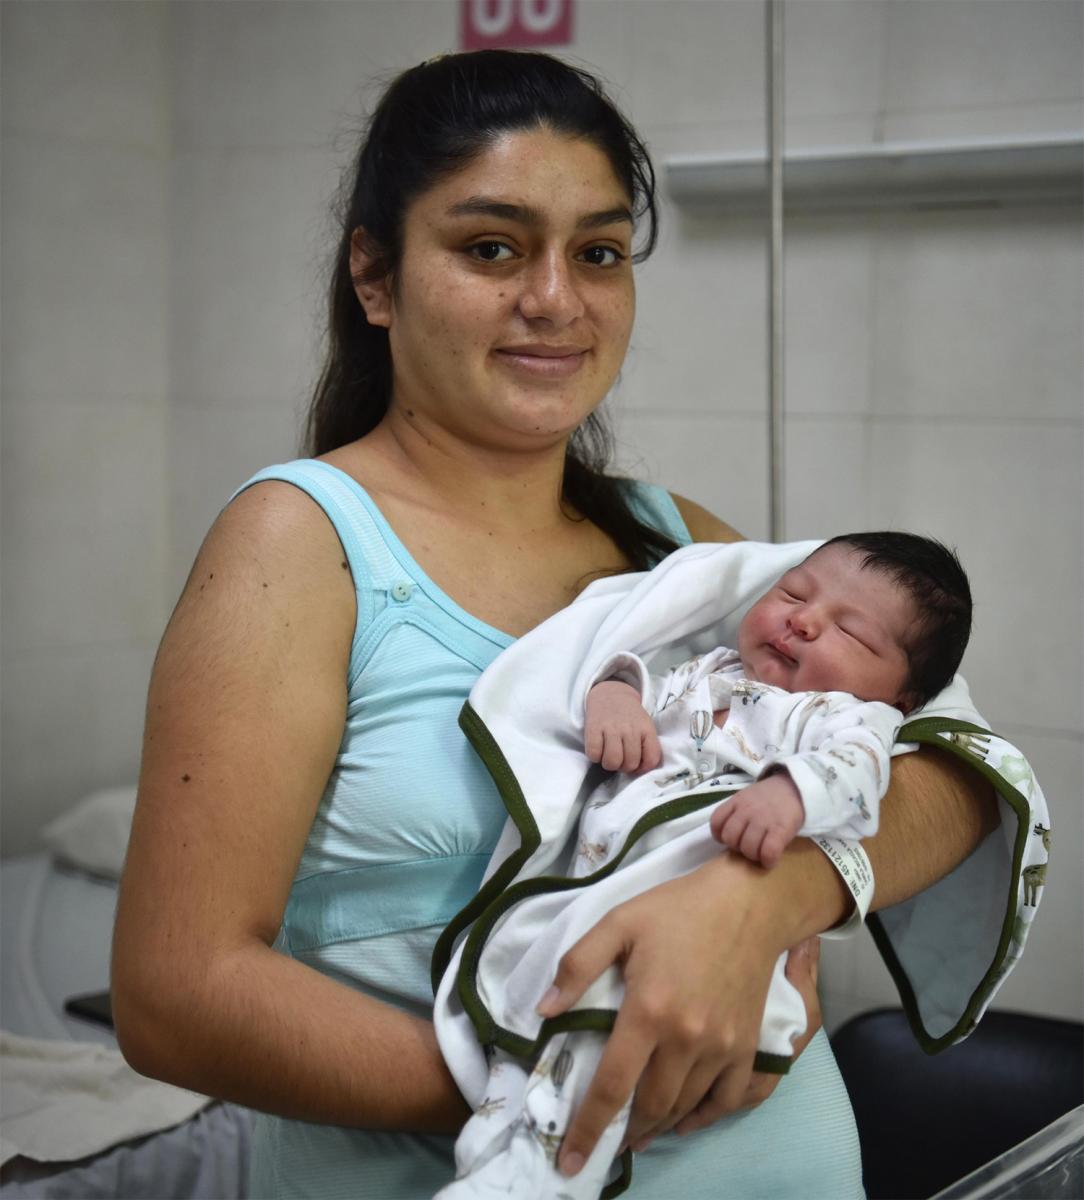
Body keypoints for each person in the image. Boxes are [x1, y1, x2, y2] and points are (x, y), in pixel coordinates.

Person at [110, 50, 1024, 1200]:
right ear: (375, 275)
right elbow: (174, 995)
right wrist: (569, 1077)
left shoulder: (681, 550)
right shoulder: (303, 548)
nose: (554, 298)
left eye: (597, 252)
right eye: (491, 247)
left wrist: (767, 897)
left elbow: (961, 770)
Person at [433, 532, 977, 1198]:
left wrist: (792, 792)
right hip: (598, 887)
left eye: (853, 635)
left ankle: (542, 1182)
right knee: (524, 1035)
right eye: (794, 593)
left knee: (602, 1046)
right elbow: (636, 678)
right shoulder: (709, 670)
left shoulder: (843, 718)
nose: (803, 620)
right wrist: (616, 694)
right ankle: (489, 1155)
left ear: (899, 699)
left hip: (689, 921)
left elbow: (859, 775)